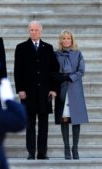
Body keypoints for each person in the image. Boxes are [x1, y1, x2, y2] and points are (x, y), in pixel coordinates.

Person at [14, 20, 59, 160]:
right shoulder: (21, 47)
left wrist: (53, 88)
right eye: (32, 30)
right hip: (28, 94)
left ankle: (42, 153)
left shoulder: (48, 48)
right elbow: (17, 71)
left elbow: (54, 70)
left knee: (44, 125)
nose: (34, 32)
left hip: (45, 93)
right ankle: (31, 152)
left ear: (41, 31)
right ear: (29, 31)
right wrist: (20, 89)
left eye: (36, 30)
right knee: (30, 125)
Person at [54, 30, 89, 160]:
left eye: (68, 38)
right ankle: (66, 148)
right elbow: (53, 71)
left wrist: (70, 77)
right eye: (64, 38)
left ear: (72, 40)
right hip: (62, 89)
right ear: (61, 40)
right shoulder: (56, 54)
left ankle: (75, 148)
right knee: (64, 120)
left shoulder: (78, 54)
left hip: (75, 89)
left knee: (76, 120)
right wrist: (61, 78)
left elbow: (81, 71)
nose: (66, 40)